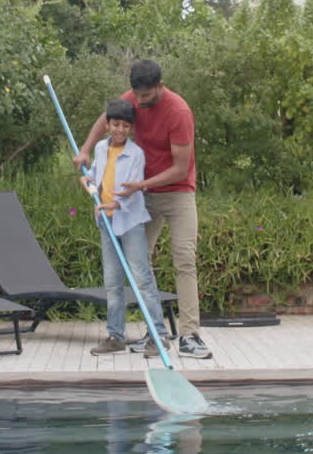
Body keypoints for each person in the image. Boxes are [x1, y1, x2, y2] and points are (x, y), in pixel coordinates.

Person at [73, 59, 212, 359]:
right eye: (136, 96)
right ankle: (153, 330)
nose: (139, 103)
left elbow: (179, 168)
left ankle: (190, 335)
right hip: (141, 194)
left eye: (145, 98)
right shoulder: (134, 96)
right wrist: (85, 149)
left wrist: (140, 185)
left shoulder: (179, 112)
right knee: (138, 264)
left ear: (160, 87)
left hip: (176, 193)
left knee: (184, 259)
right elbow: (106, 119)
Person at [81, 99, 170, 356]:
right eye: (115, 124)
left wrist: (113, 205)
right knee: (112, 282)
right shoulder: (99, 148)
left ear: (131, 129)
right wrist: (87, 181)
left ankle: (158, 336)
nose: (120, 130)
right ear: (107, 125)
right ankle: (116, 336)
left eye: (125, 126)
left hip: (129, 222)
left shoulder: (136, 154)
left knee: (142, 279)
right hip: (106, 223)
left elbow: (132, 188)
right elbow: (96, 176)